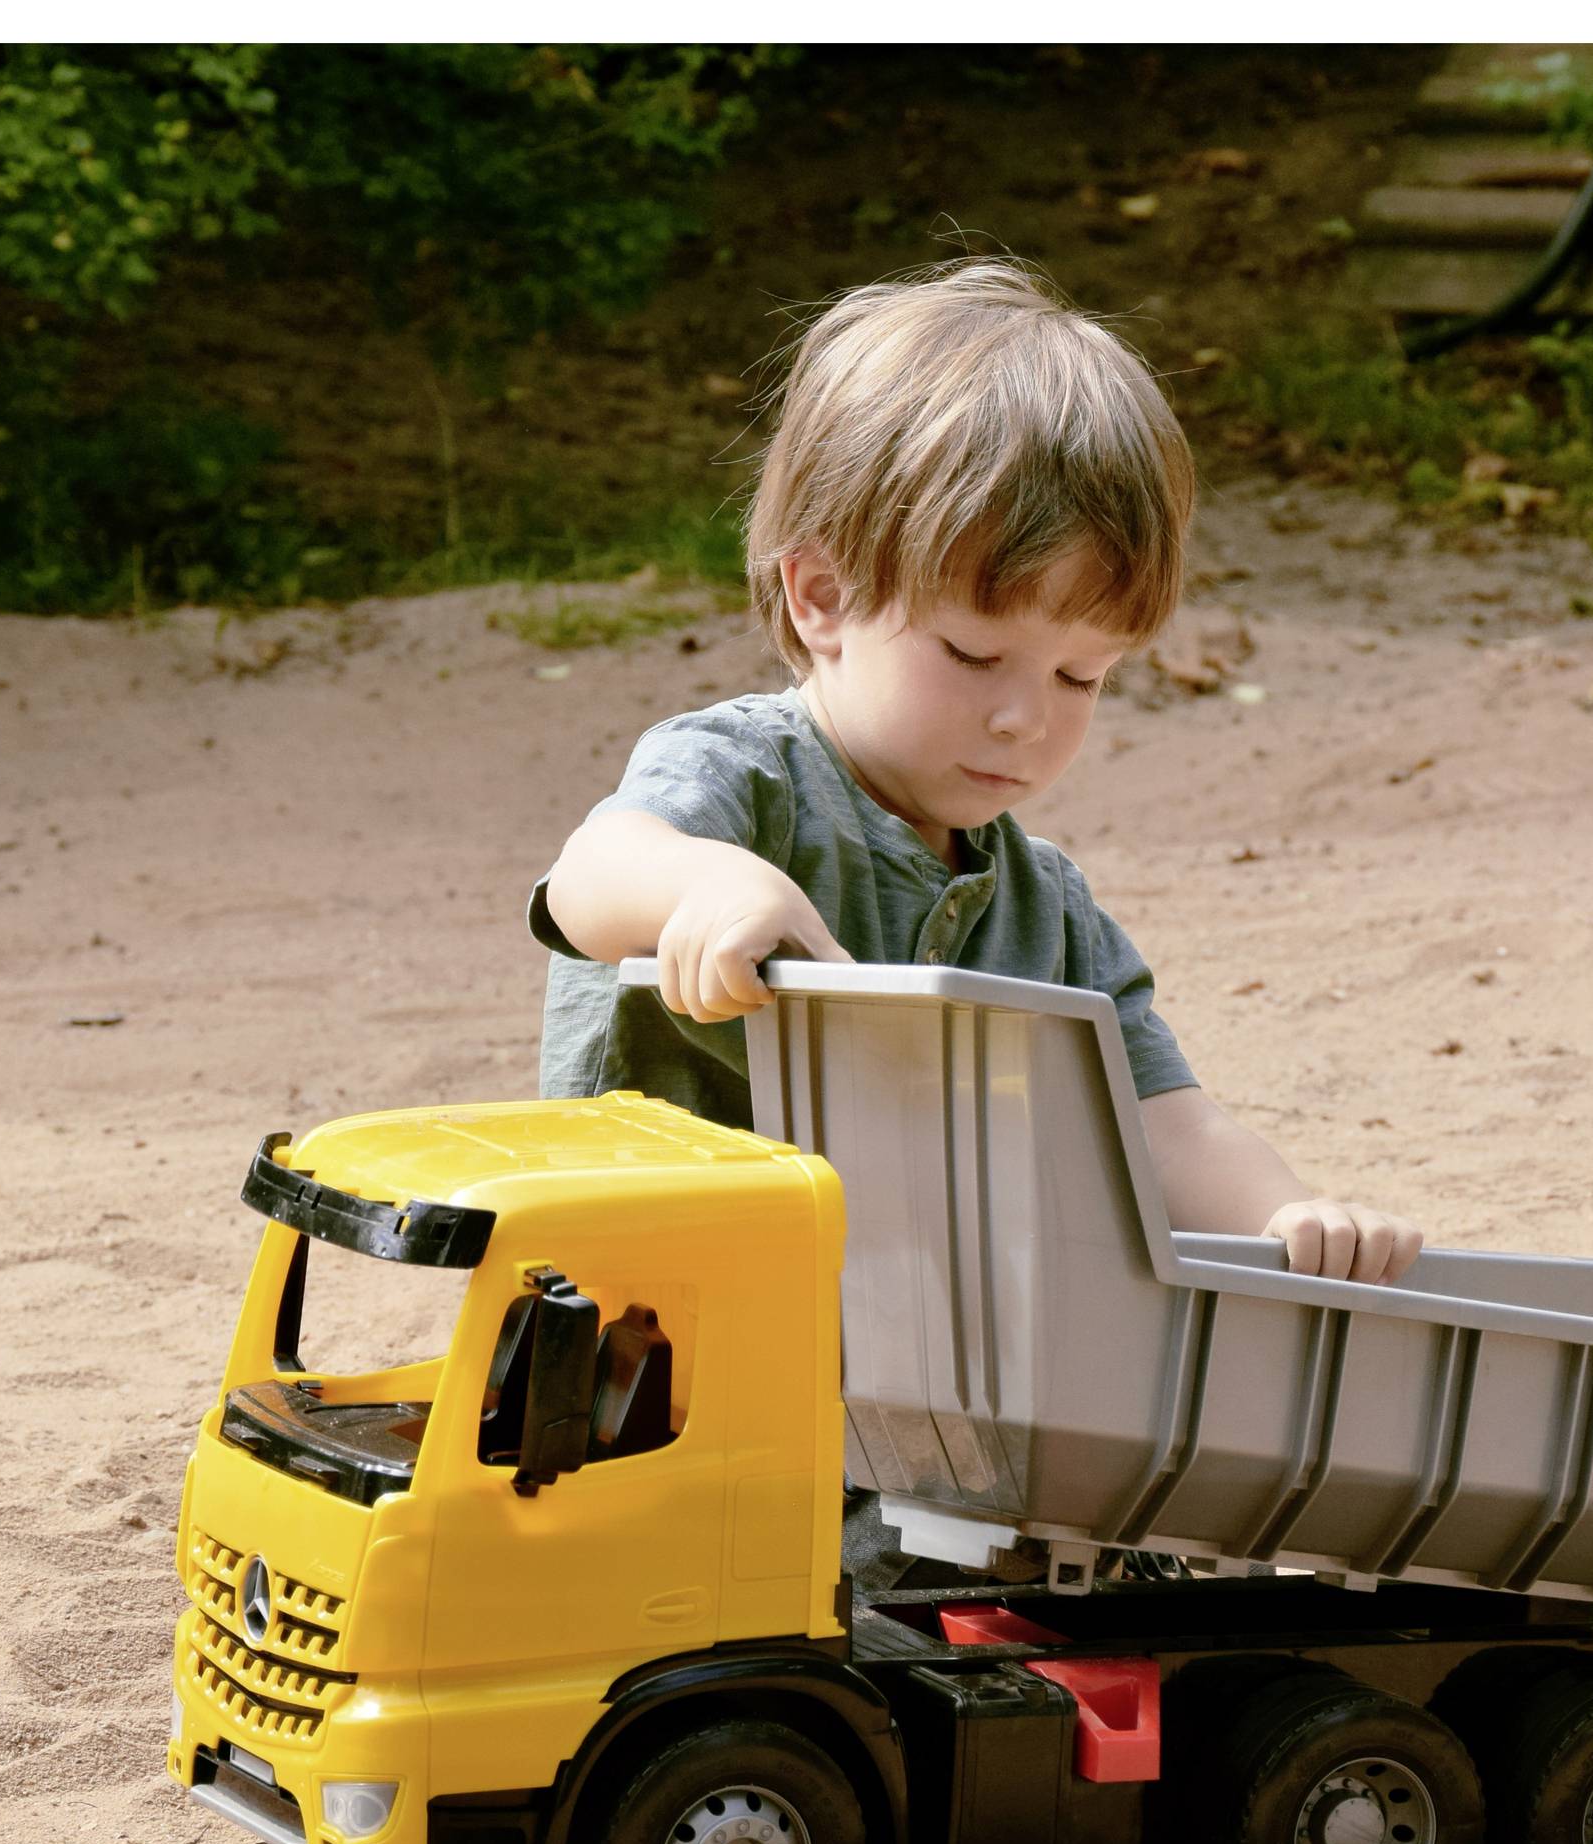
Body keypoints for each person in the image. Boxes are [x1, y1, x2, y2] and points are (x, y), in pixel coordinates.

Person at [527, 256, 1423, 1287]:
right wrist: (710, 884)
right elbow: (592, 875)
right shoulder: (745, 778)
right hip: (639, 1307)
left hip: (886, 1339)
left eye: (1080, 676)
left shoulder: (1047, 910)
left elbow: (1158, 1117)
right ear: (822, 596)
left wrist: (1290, 1215)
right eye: (973, 656)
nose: (1022, 719)